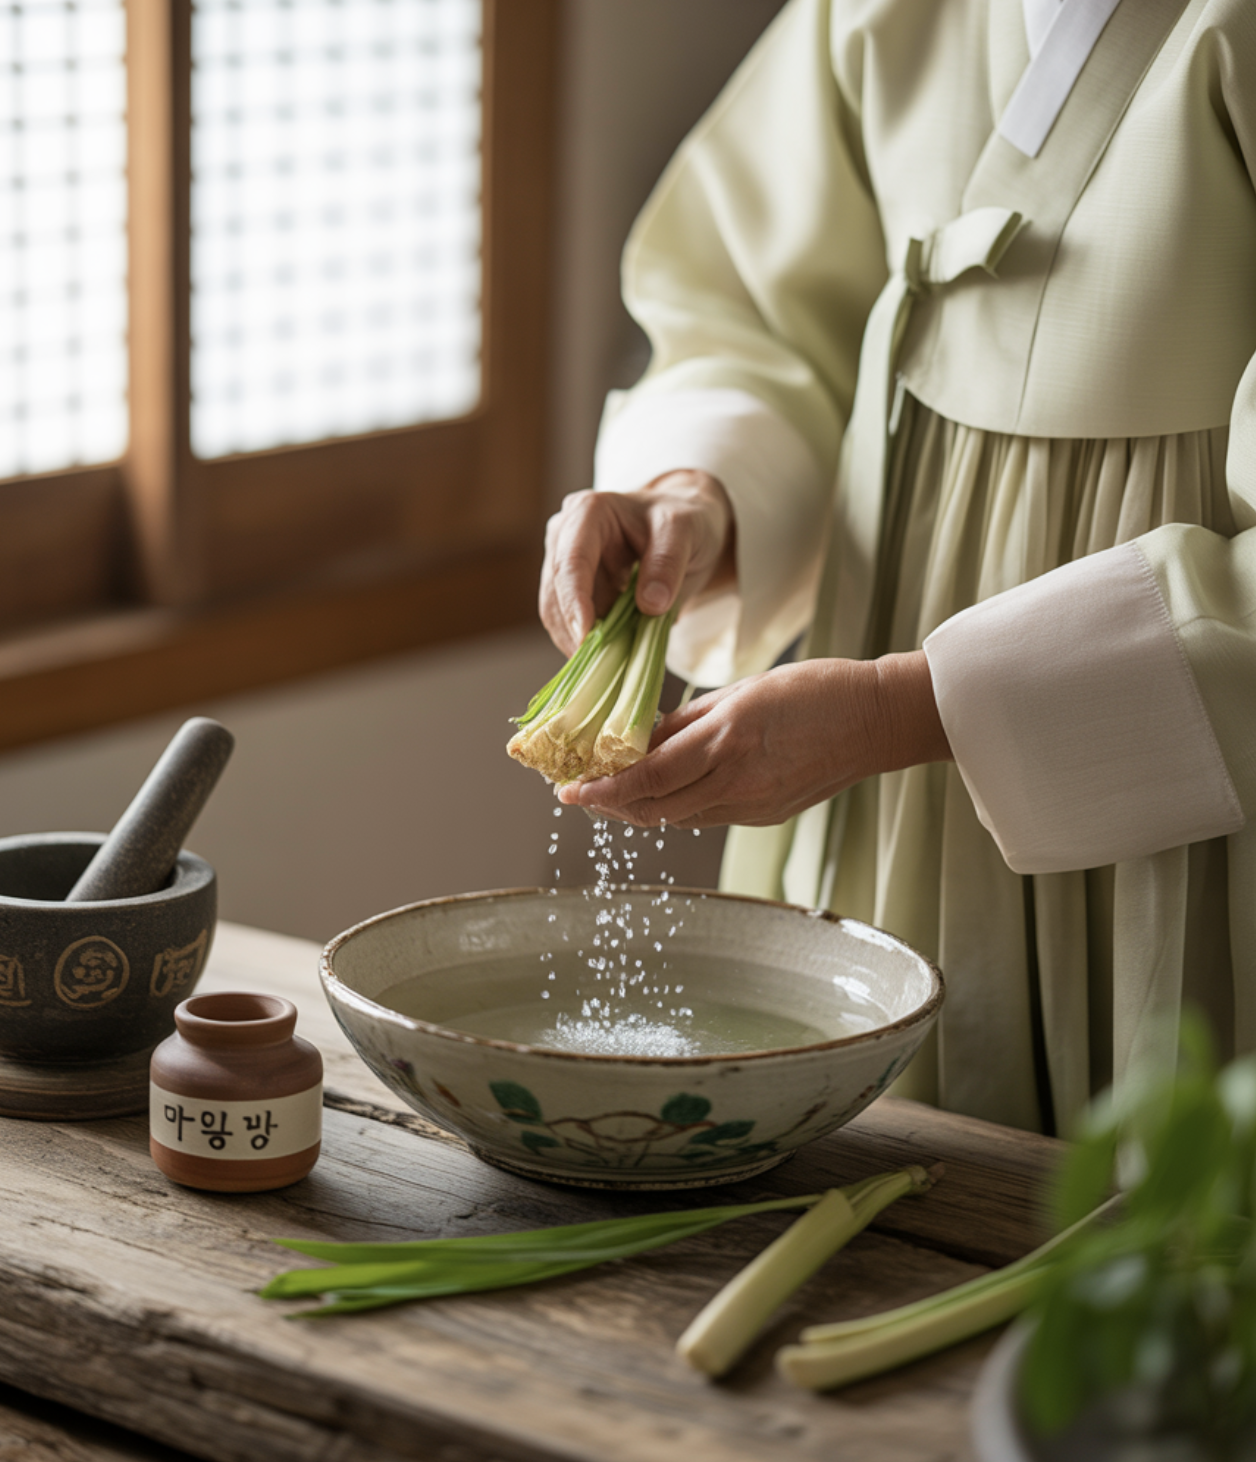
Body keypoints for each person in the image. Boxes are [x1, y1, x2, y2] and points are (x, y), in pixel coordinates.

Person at [538, 0, 1256, 1136]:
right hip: (846, 740)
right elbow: (755, 308)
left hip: (1172, 789)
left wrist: (901, 712)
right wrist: (697, 493)